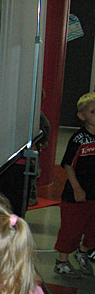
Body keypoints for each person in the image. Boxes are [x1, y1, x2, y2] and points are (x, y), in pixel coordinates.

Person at [53, 92, 95, 278]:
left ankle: (83, 252)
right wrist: (77, 188)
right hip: (75, 196)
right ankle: (62, 261)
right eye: (93, 111)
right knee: (71, 229)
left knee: (92, 227)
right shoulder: (78, 139)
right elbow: (68, 165)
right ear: (82, 116)